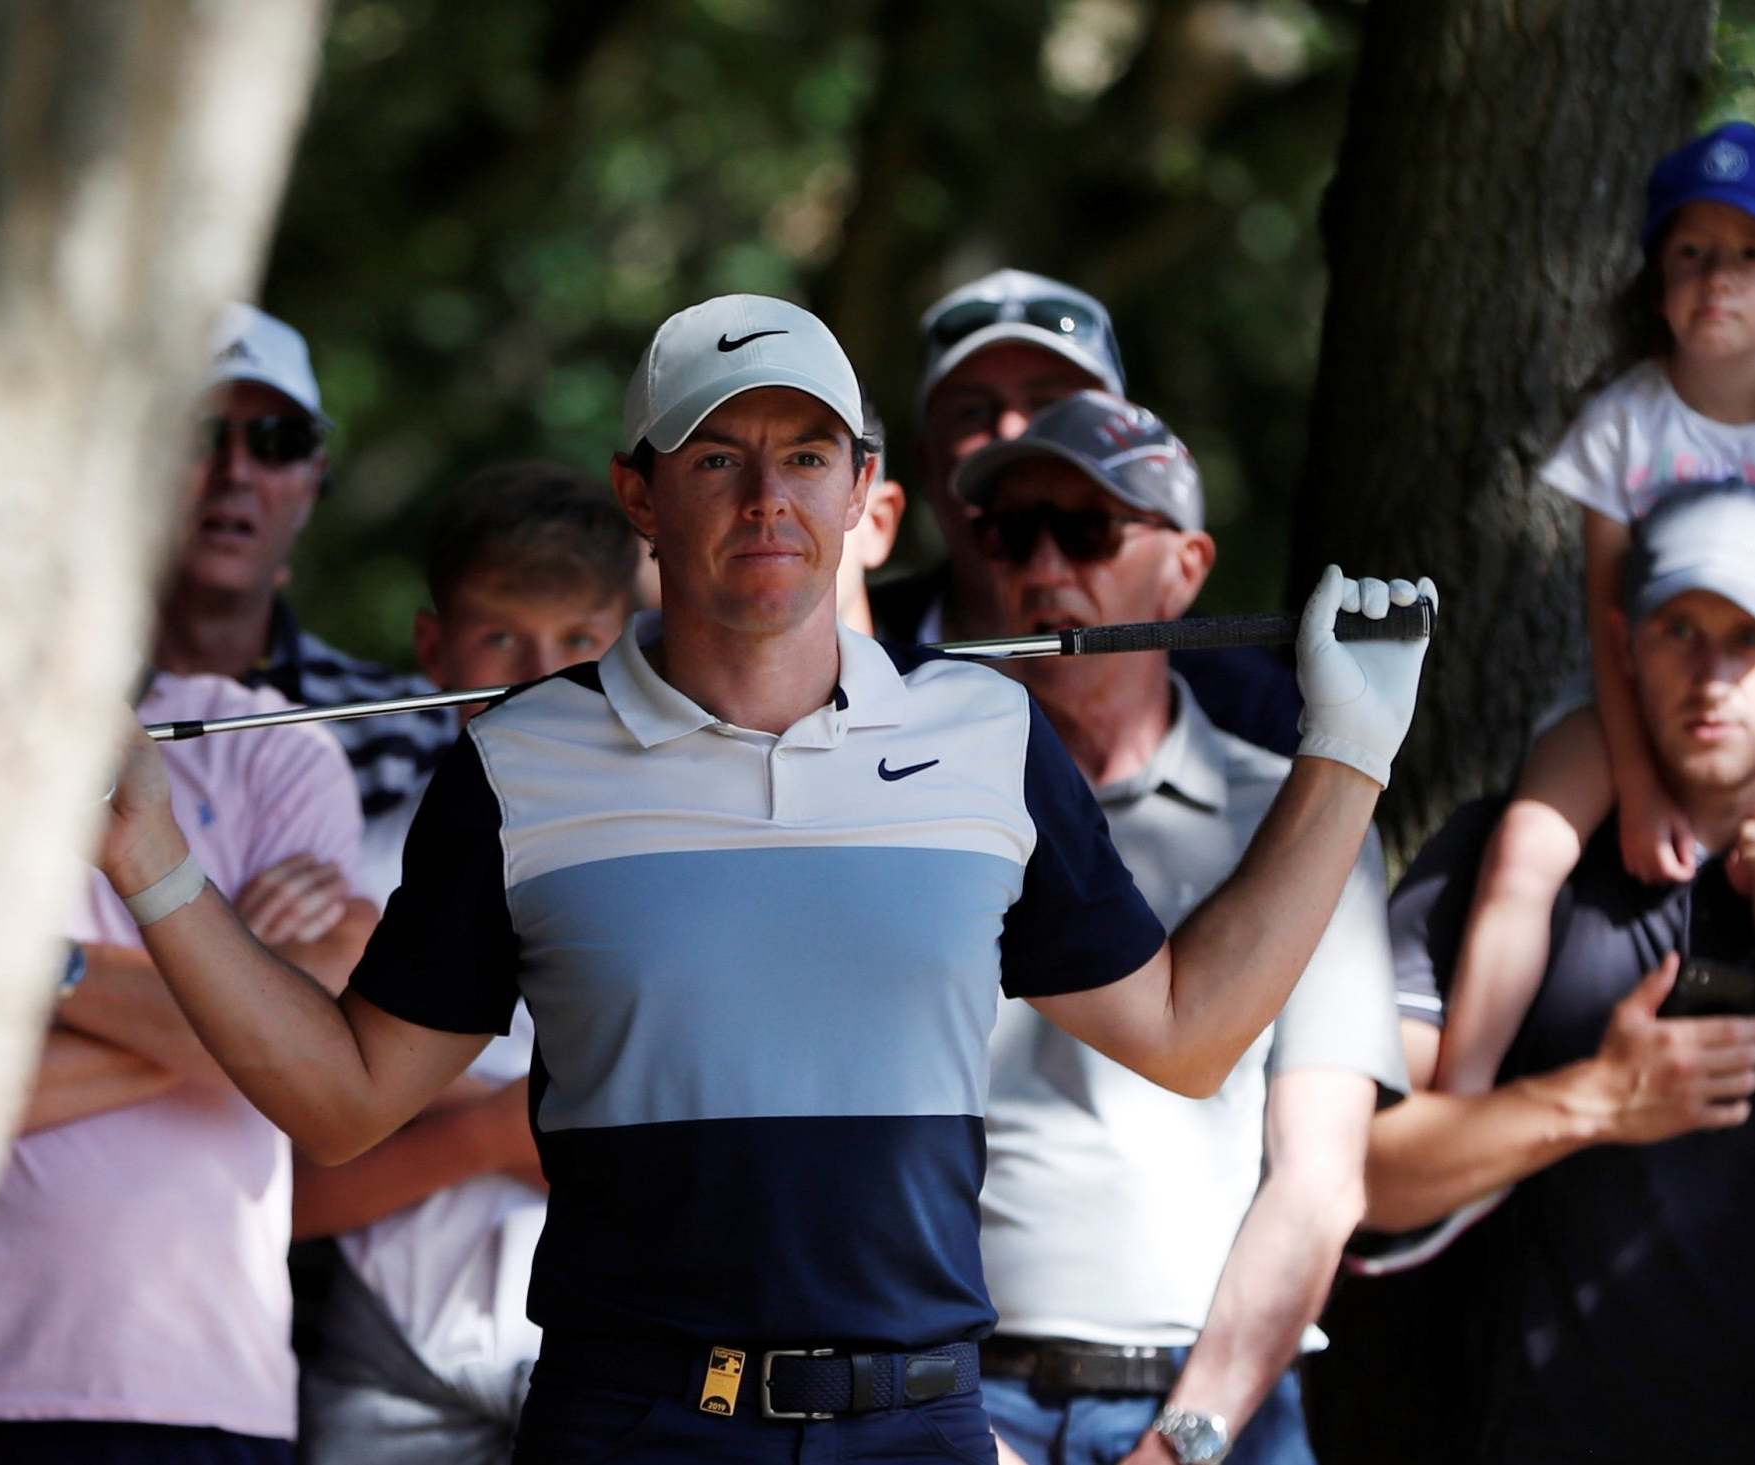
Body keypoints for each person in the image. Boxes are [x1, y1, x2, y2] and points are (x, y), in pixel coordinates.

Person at [93, 293, 1433, 1465]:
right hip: (633, 1421)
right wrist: (151, 860)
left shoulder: (983, 734)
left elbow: (1190, 1035)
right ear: (639, 497)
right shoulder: (519, 760)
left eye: (803, 457)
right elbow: (341, 1100)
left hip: (916, 1425)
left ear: (860, 492)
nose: (764, 498)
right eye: (718, 457)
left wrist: (1349, 752)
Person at [957, 393, 1404, 1465]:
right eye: (1013, 532)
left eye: (1091, 528)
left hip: (1218, 1417)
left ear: (1187, 567)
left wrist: (1180, 1447)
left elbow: (1322, 1177)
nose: (1044, 565)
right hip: (957, 1402)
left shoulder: (1300, 816)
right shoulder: (928, 805)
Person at [0, 488, 380, 1459]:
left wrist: (33, 978)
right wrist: (242, 997)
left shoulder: (273, 745)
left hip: (208, 1390)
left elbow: (324, 1056)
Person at [1355, 480, 1755, 1464]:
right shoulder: (1501, 855)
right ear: (1621, 647)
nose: (1714, 676)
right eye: (1680, 631)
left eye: (1748, 638)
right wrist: (1599, 1099)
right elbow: (1367, 1173)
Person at [294, 462, 639, 1465]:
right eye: (500, 638)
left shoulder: (686, 875)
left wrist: (412, 1119)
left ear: (637, 647)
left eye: (578, 640)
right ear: (433, 648)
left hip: (626, 1363)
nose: (539, 679)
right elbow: (290, 1192)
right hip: (390, 1370)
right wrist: (502, 1128)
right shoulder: (352, 878)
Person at [1437, 120, 1755, 1094]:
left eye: (1747, 253)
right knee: (1524, 851)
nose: (1717, 279)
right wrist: (1638, 780)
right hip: (1624, 688)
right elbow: (1607, 623)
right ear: (1654, 278)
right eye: (1691, 254)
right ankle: (1461, 1096)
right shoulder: (1624, 424)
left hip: (1748, 694)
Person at [873, 268, 1303, 754]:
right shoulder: (854, 654)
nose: (1014, 430)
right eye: (973, 411)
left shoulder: (1245, 698)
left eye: (1052, 408)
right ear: (925, 463)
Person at [154, 303, 455, 821]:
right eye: (200, 436)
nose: (237, 472)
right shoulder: (35, 700)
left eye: (279, 442)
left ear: (314, 481)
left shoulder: (406, 730)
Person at [836, 391, 908, 636]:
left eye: (807, 461)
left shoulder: (965, 676)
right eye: (719, 462)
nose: (771, 500)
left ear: (878, 522)